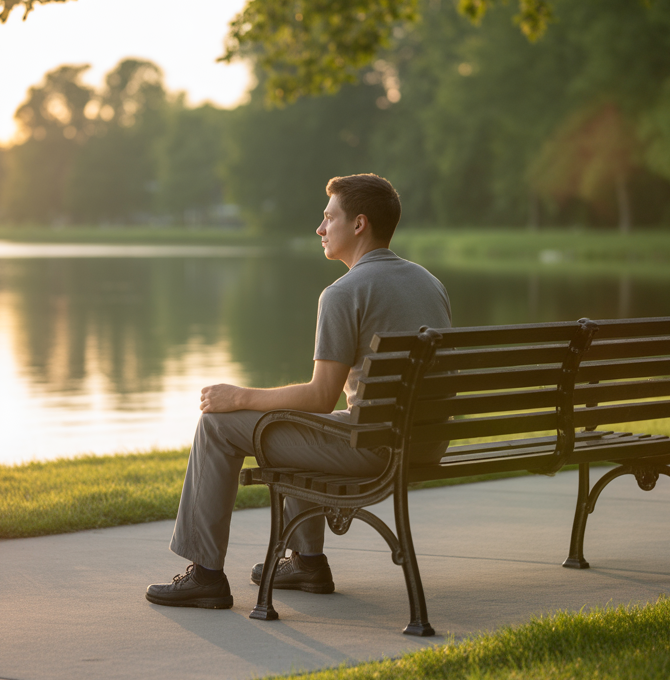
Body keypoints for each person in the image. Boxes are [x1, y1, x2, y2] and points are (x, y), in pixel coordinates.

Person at [145, 173, 452, 610]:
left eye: (329, 218)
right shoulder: (429, 283)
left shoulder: (343, 293)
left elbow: (319, 398)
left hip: (375, 449)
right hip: (426, 444)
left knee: (217, 425)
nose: (320, 228)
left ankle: (206, 574)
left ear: (359, 224)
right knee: (298, 422)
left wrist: (240, 397)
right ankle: (307, 563)